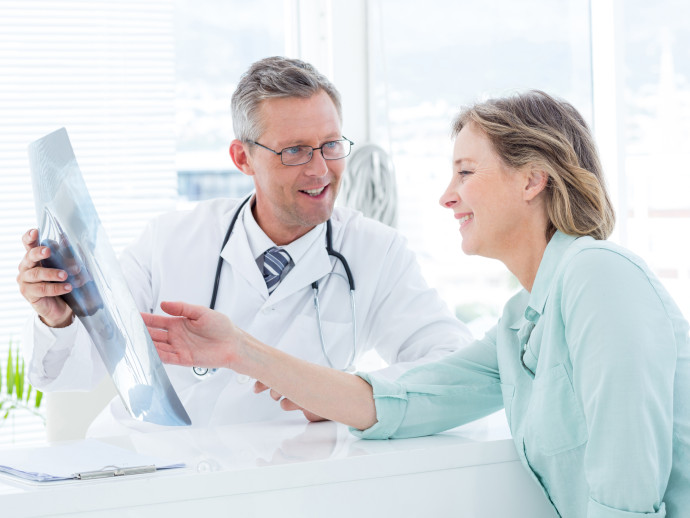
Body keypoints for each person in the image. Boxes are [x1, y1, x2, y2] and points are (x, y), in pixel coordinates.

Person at [143, 90, 690, 517]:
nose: (447, 195)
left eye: (466, 171)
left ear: (533, 179)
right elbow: (403, 399)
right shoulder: (521, 323)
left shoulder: (599, 275)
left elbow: (627, 489)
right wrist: (239, 350)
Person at [17, 56, 471, 435]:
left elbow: (452, 369)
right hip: (146, 465)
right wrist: (57, 320)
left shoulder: (376, 251)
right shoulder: (170, 239)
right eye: (294, 151)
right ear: (242, 158)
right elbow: (68, 374)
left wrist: (341, 394)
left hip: (273, 481)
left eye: (331, 145)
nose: (321, 169)